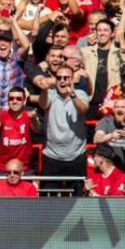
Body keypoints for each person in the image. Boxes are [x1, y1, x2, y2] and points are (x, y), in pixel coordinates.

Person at [38, 65, 89, 196]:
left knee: (78, 199)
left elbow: (82, 109)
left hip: (76, 156)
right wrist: (44, 90)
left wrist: (72, 94)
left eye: (66, 78)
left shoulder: (80, 94)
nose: (62, 81)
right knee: (48, 199)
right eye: (59, 78)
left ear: (72, 79)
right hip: (52, 156)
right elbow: (43, 104)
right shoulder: (51, 93)